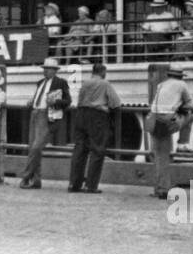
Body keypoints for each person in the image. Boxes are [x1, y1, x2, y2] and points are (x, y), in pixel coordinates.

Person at [68, 63, 122, 194]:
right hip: (97, 117)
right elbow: (116, 103)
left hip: (81, 115)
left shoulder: (85, 83)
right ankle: (91, 185)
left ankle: (74, 183)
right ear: (103, 72)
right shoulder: (105, 84)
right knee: (97, 150)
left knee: (79, 150)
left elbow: (79, 101)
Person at [19, 57, 72, 189]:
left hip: (46, 115)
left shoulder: (61, 82)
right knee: (34, 148)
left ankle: (26, 176)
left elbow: (68, 101)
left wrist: (55, 102)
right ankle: (36, 180)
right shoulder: (40, 83)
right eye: (45, 69)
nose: (46, 71)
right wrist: (32, 101)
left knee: (36, 148)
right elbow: (40, 98)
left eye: (48, 69)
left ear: (55, 71)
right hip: (36, 113)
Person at [145, 66, 193, 197]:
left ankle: (158, 188)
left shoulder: (161, 85)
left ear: (169, 75)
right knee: (191, 116)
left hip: (152, 120)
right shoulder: (182, 85)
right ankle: (183, 143)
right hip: (167, 121)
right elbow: (190, 104)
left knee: (157, 155)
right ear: (181, 76)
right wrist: (180, 107)